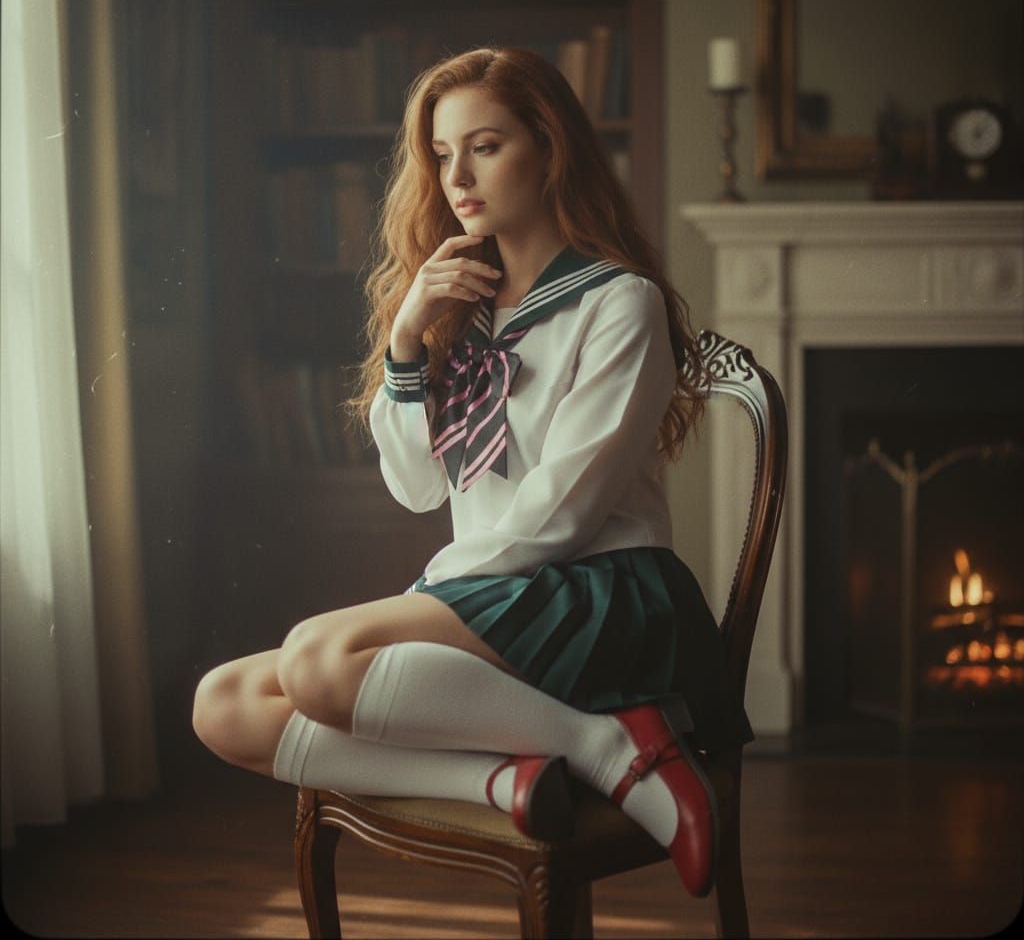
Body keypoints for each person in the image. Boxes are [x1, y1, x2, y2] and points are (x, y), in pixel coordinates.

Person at [192, 45, 752, 898]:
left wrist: (431, 596)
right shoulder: (464, 306)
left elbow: (560, 519)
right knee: (222, 704)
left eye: (485, 146)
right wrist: (409, 339)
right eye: (444, 155)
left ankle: (615, 740)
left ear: (550, 148)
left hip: (596, 592)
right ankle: (523, 772)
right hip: (498, 593)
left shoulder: (618, 303)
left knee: (317, 659)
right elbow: (416, 487)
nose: (459, 176)